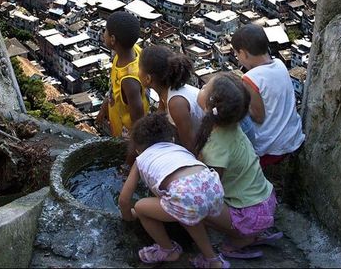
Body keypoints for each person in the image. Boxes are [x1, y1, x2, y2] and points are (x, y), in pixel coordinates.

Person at [119, 112, 228, 268]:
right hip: (212, 186)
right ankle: (212, 260)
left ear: (138, 149)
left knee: (140, 207)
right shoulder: (178, 149)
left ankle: (168, 250)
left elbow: (124, 200)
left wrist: (128, 218)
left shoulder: (141, 159)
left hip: (186, 196)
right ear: (171, 139)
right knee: (188, 212)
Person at [196, 73, 281, 260]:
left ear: (211, 105)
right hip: (265, 200)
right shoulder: (233, 126)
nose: (200, 89)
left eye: (204, 88)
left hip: (250, 213)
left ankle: (239, 240)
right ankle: (253, 232)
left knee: (195, 208)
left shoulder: (215, 146)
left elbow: (212, 191)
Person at [231, 25, 305, 168]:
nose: (238, 60)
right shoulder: (280, 64)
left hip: (271, 148)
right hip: (293, 137)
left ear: (244, 53)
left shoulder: (250, 78)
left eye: (237, 55)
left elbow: (258, 117)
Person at [139, 45, 204, 151]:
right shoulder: (166, 93)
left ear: (148, 78)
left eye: (139, 69)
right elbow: (159, 121)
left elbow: (190, 146)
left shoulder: (176, 103)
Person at [96, 10, 149, 138]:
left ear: (113, 39)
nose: (103, 34)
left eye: (106, 31)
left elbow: (138, 121)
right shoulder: (130, 50)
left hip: (127, 139)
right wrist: (104, 108)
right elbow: (113, 89)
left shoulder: (129, 80)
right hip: (116, 123)